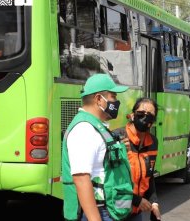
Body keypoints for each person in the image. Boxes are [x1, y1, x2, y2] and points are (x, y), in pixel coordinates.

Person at [62, 73, 132, 221]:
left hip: (107, 211)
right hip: (98, 213)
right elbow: (81, 179)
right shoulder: (84, 129)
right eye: (113, 96)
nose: (116, 101)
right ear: (99, 99)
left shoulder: (95, 127)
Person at [123, 98, 162, 221]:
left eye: (150, 115)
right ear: (133, 115)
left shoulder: (153, 142)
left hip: (136, 213)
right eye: (141, 113)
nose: (145, 117)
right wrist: (136, 200)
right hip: (115, 212)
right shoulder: (119, 139)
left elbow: (149, 176)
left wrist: (154, 202)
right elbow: (112, 182)